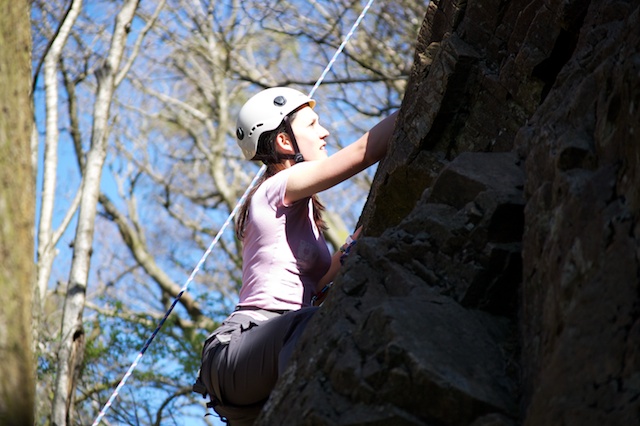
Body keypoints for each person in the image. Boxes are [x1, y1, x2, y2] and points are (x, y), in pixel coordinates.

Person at [194, 87, 397, 425]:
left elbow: (313, 283)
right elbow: (364, 151)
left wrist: (357, 241)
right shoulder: (274, 190)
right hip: (240, 347)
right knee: (321, 323)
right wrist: (422, 100)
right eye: (313, 125)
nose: (324, 132)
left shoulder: (300, 215)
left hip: (266, 365)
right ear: (286, 142)